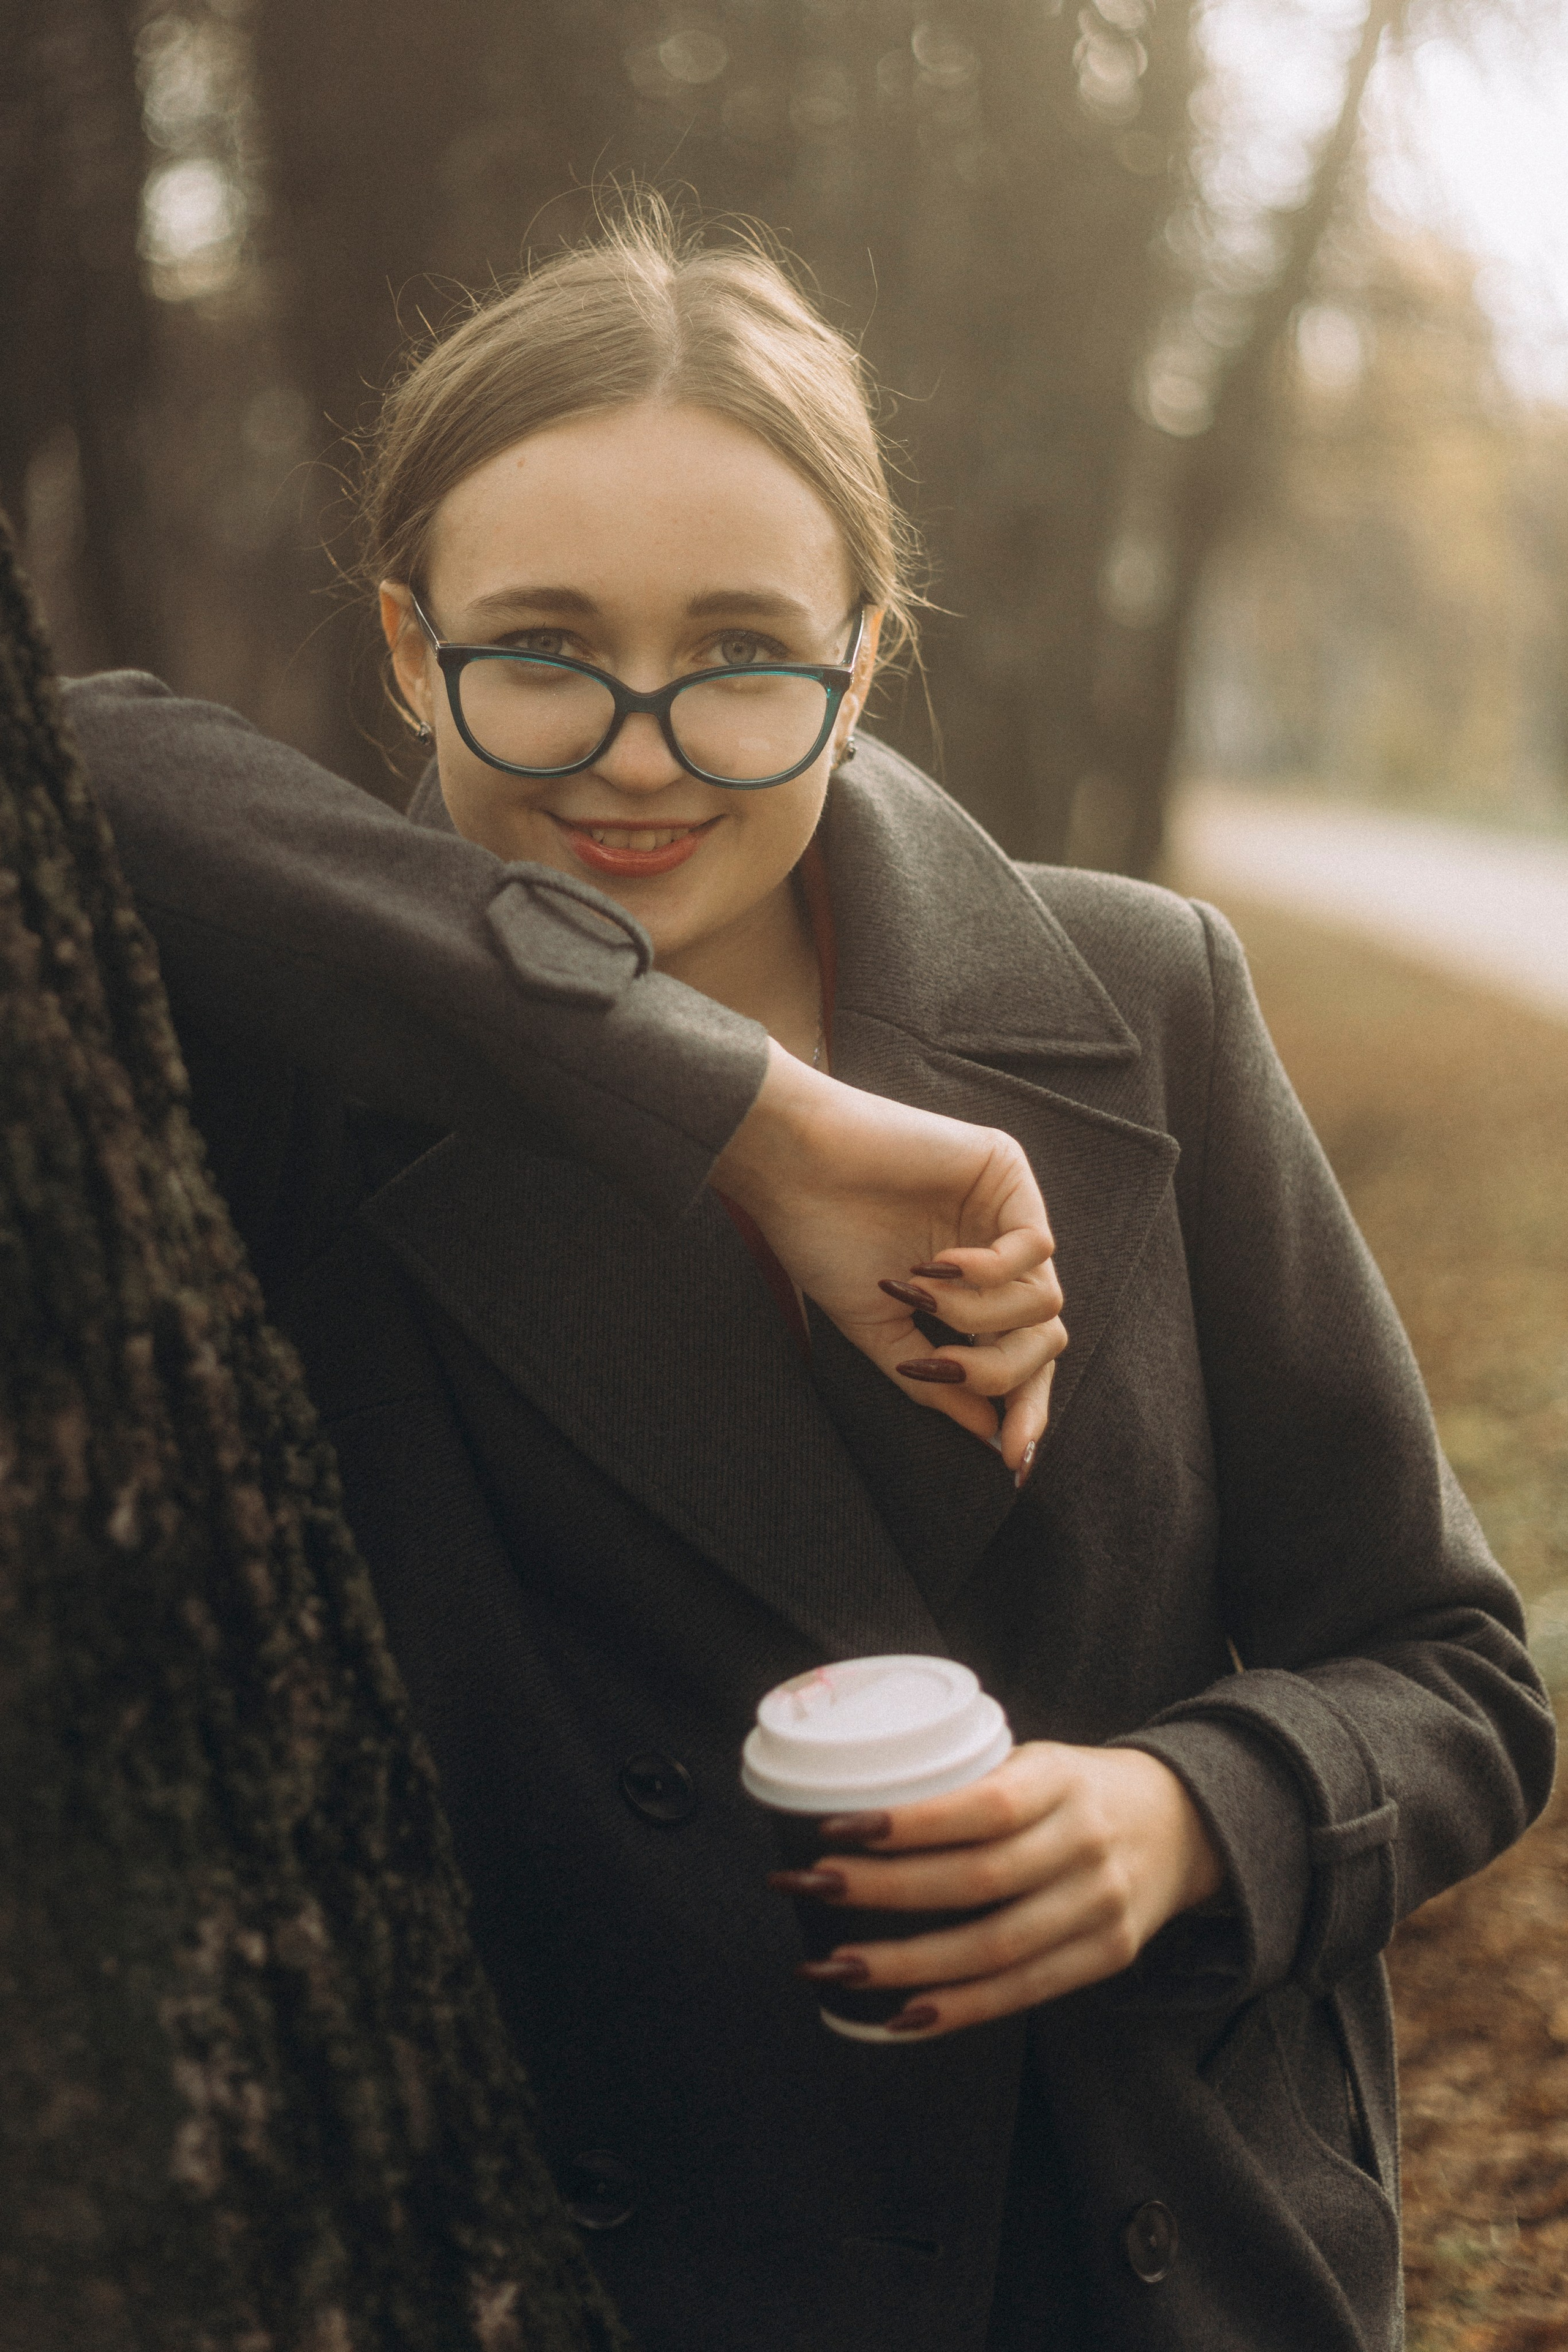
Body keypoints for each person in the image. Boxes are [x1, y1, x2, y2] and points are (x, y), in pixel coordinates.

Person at [70, 208, 1552, 2352]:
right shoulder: (307, 1072)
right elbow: (66, 756)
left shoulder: (1141, 1001)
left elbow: (1455, 1673)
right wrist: (727, 1112)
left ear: (866, 656)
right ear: (408, 648)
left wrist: (1179, 1821)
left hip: (1144, 2257)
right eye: (543, 645)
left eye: (748, 652)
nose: (641, 745)